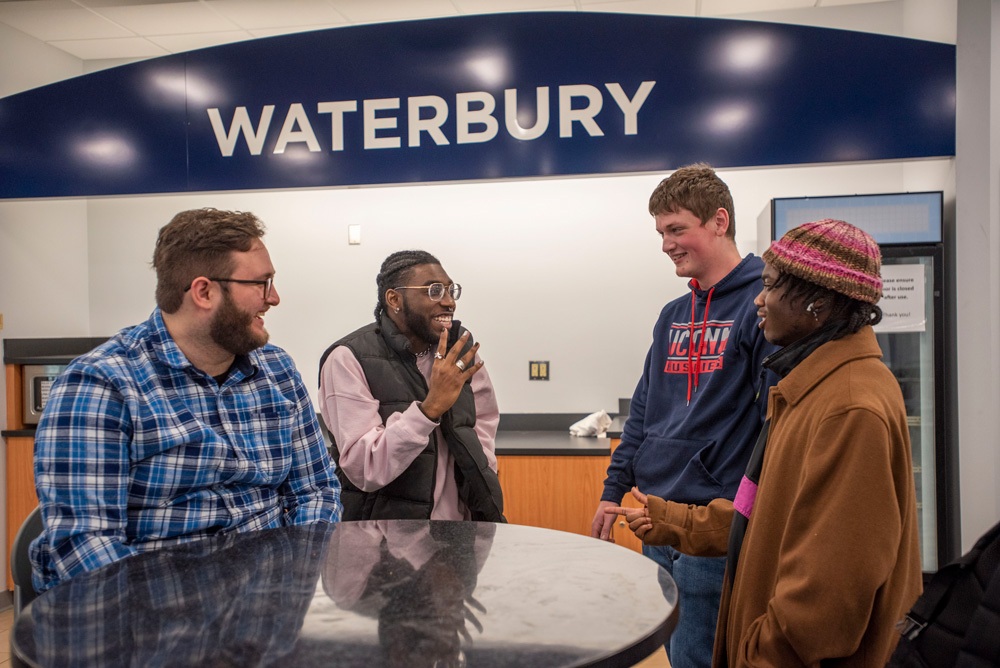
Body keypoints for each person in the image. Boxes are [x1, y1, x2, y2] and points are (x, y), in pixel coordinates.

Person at [608, 219, 922, 667]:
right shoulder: (808, 389)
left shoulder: (849, 408)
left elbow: (829, 594)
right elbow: (765, 516)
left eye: (770, 286)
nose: (757, 300)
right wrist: (674, 522)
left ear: (817, 302)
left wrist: (756, 655)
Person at [30, 208, 342, 592]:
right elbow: (85, 546)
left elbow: (316, 490)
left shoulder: (277, 371)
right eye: (262, 283)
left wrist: (294, 573)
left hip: (267, 605)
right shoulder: (101, 385)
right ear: (204, 291)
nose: (273, 298)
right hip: (152, 619)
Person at [590, 164, 779, 668]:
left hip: (714, 526)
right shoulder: (673, 315)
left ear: (719, 221)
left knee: (701, 658)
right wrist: (613, 492)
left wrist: (744, 512)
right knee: (676, 656)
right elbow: (645, 412)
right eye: (661, 233)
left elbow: (776, 428)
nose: (667, 244)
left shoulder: (763, 305)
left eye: (677, 229)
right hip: (658, 520)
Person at [318, 250, 503, 522]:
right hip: (382, 540)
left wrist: (482, 473)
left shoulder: (459, 350)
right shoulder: (348, 358)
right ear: (394, 299)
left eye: (452, 290)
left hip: (461, 533)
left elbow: (484, 423)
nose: (449, 302)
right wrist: (429, 410)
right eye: (434, 291)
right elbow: (364, 467)